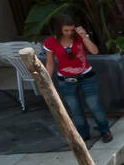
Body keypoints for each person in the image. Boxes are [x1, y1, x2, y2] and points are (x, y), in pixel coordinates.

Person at [43, 14, 113, 143]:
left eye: (71, 29)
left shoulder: (79, 37)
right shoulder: (51, 42)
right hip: (65, 80)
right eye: (66, 30)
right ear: (59, 29)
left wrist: (84, 36)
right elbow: (50, 62)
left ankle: (105, 130)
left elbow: (95, 51)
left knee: (94, 105)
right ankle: (83, 133)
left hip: (86, 77)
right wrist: (46, 80)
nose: (69, 33)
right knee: (75, 110)